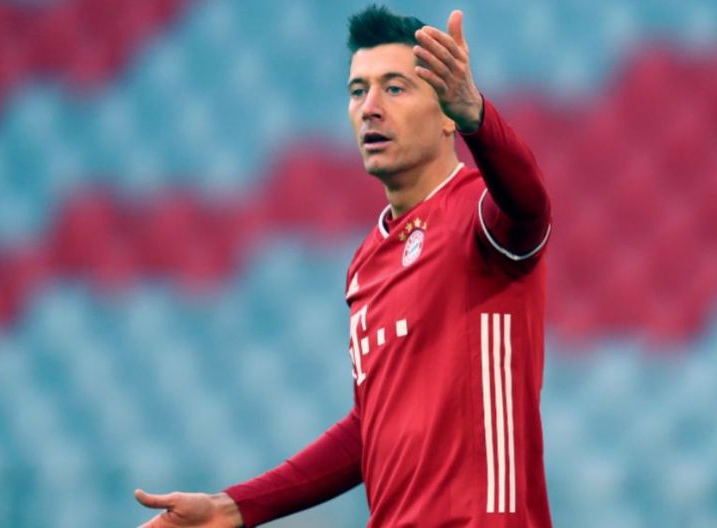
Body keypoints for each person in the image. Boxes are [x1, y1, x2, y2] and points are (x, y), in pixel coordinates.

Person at [135, 5, 552, 527]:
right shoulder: (366, 264)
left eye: (395, 88)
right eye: (358, 91)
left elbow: (530, 205)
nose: (370, 108)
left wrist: (479, 117)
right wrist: (235, 507)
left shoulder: (481, 216)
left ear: (448, 113)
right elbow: (369, 426)